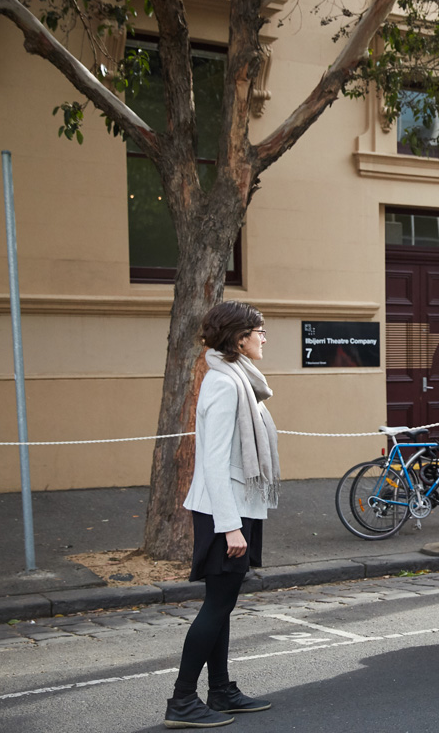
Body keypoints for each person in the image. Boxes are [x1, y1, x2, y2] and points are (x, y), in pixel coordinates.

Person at [164, 301, 280, 729]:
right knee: (216, 605)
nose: (265, 337)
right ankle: (181, 701)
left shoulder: (239, 379)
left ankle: (221, 689)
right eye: (259, 330)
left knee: (224, 604)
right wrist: (229, 527)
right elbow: (212, 460)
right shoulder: (224, 384)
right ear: (239, 337)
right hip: (223, 512)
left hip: (236, 507)